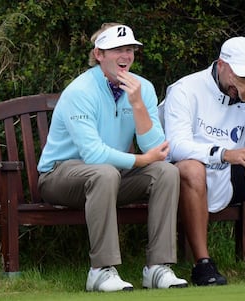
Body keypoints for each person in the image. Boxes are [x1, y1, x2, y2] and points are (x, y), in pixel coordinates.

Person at [37, 23, 188, 292]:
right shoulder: (80, 91)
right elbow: (93, 154)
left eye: (129, 49)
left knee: (167, 173)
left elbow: (156, 150)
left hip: (111, 177)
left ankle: (157, 268)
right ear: (99, 54)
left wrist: (138, 104)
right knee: (103, 172)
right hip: (60, 177)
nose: (125, 56)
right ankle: (101, 271)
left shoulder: (143, 88)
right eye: (117, 49)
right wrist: (141, 160)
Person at [159, 36, 245, 285]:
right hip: (183, 177)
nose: (244, 84)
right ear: (222, 65)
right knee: (192, 169)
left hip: (228, 174)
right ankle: (202, 264)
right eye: (239, 76)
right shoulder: (185, 89)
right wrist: (223, 153)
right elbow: (177, 146)